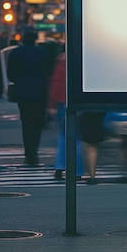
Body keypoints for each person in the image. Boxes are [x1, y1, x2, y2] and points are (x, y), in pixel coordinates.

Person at [6, 31, 51, 166]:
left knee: (26, 123)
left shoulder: (16, 53)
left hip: (23, 92)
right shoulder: (42, 52)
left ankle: (29, 153)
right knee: (37, 124)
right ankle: (34, 152)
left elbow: (10, 73)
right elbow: (49, 70)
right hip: (39, 91)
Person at [47, 47, 83, 180]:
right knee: (77, 138)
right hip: (79, 101)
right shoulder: (82, 59)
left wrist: (51, 103)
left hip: (62, 101)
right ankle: (77, 170)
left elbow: (55, 83)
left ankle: (60, 166)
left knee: (63, 135)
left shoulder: (60, 60)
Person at [78, 111, 105, 184]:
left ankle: (90, 174)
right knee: (92, 146)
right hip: (99, 113)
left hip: (87, 113)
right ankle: (91, 174)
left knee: (89, 145)